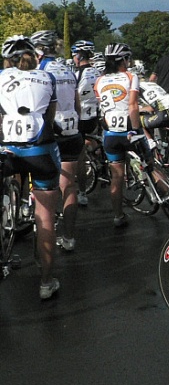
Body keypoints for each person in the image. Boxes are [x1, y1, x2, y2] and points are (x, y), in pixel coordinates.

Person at [0, 35, 62, 299]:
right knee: (46, 216)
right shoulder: (46, 77)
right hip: (41, 151)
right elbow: (49, 115)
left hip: (8, 149)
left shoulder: (1, 77)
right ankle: (46, 282)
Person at [94, 43, 169, 227]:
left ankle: (118, 216)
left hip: (110, 134)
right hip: (129, 131)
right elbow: (133, 106)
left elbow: (105, 108)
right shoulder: (130, 77)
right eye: (128, 58)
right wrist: (137, 131)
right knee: (151, 166)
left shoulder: (99, 80)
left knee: (117, 176)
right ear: (123, 60)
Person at [32, 30, 84, 252]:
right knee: (69, 186)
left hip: (51, 132)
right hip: (72, 132)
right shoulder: (68, 70)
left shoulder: (41, 71)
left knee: (46, 188)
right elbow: (76, 103)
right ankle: (69, 237)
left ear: (40, 51)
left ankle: (45, 232)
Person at [72, 40, 101, 206]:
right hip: (94, 115)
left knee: (79, 157)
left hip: (80, 117)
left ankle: (82, 193)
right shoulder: (97, 72)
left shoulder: (77, 74)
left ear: (79, 55)